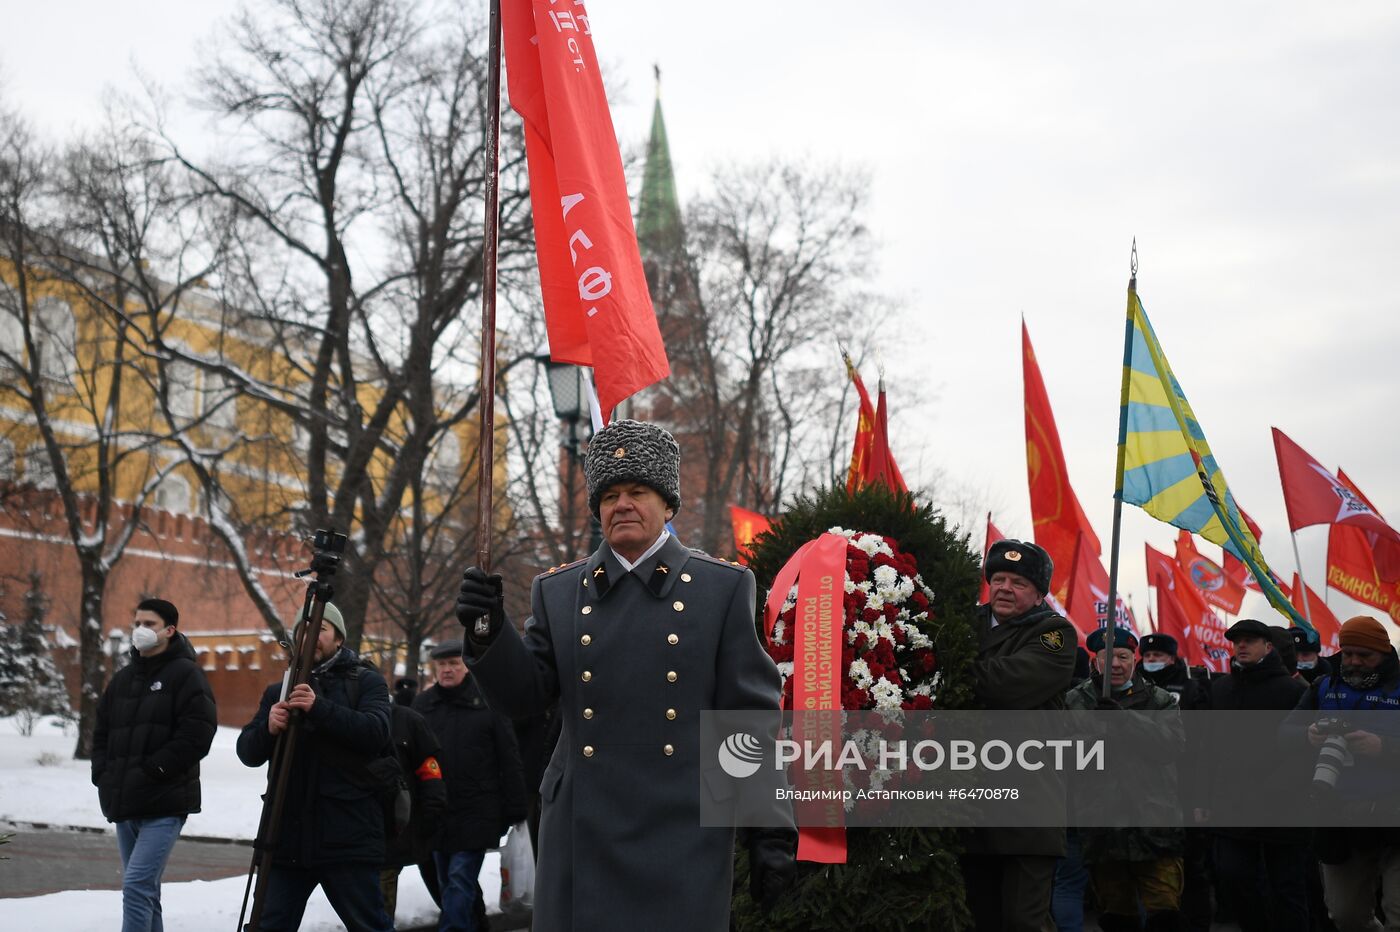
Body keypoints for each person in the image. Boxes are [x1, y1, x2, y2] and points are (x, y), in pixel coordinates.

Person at [454, 418, 796, 931]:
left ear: (668, 505)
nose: (622, 504)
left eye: (638, 491)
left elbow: (747, 720)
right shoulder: (560, 591)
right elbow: (525, 694)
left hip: (682, 833)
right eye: (610, 495)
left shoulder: (720, 588)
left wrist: (769, 832)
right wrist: (486, 630)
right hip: (581, 833)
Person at [235, 601, 395, 932]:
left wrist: (319, 707)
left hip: (348, 837)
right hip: (286, 839)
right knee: (268, 926)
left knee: (370, 926)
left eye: (321, 629)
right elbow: (247, 753)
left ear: (339, 639)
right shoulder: (277, 690)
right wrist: (268, 727)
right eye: (303, 630)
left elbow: (375, 733)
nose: (311, 636)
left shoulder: (366, 682)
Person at [962, 538, 1078, 932]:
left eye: (1019, 582)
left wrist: (947, 667)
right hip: (970, 803)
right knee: (977, 917)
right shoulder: (964, 623)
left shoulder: (1055, 634)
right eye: (998, 578)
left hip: (1027, 809)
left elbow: (1006, 684)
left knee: (1023, 921)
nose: (1005, 588)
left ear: (1039, 593)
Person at [92, 598, 217, 932]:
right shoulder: (122, 680)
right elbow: (101, 731)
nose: (140, 631)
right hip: (126, 802)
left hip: (164, 802)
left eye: (149, 624)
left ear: (170, 630)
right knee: (147, 891)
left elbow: (198, 734)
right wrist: (102, 775)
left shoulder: (186, 674)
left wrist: (155, 771)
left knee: (135, 884)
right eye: (137, 624)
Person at [1065, 626, 1186, 931]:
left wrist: (1126, 720)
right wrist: (1099, 732)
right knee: (1117, 916)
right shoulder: (1075, 701)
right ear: (1095, 662)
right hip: (1102, 828)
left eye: (1123, 656)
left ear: (1135, 660)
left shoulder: (1160, 700)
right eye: (1107, 658)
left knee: (1165, 912)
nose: (1115, 665)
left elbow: (1170, 747)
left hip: (1154, 827)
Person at [1284, 615, 1400, 931]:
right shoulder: (1324, 686)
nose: (1354, 662)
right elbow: (1283, 733)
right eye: (1348, 653)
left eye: (1365, 655)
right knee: (1345, 915)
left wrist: (1384, 748)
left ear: (1384, 654)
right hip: (1341, 820)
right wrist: (1308, 735)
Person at [1199, 617, 1310, 932]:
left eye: (1249, 640)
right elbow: (1209, 747)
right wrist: (1205, 796)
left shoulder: (1292, 691)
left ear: (1268, 646)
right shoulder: (1221, 689)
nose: (1241, 646)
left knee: (1287, 890)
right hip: (1234, 804)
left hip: (1283, 807)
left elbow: (1303, 751)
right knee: (1234, 878)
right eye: (1237, 641)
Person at [413, 639, 526, 932]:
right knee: (448, 884)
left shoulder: (488, 702)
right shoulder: (423, 706)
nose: (447, 670)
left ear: (466, 667)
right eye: (442, 665)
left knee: (459, 880)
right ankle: (477, 925)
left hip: (477, 810)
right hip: (436, 812)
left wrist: (515, 807)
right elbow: (410, 755)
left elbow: (508, 757)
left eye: (454, 664)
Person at [379, 676, 447, 925]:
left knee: (379, 912)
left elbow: (430, 772)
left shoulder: (408, 720)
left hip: (392, 833)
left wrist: (429, 815)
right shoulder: (342, 719)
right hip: (350, 837)